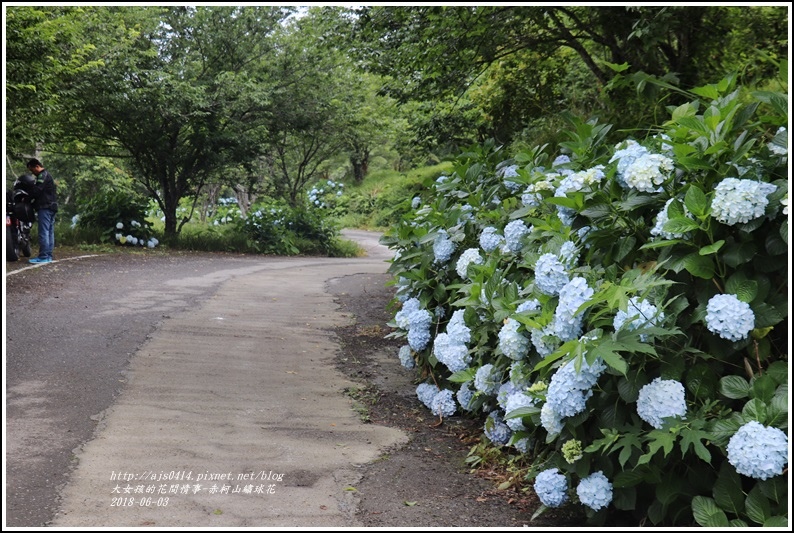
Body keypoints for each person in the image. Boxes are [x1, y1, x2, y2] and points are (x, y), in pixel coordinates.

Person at [25, 158, 58, 263]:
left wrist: (26, 198)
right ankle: (48, 256)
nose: (32, 173)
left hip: (45, 207)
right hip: (51, 207)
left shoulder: (42, 176)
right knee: (49, 232)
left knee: (43, 232)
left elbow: (37, 190)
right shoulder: (47, 175)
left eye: (32, 170)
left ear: (37, 166)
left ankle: (43, 256)